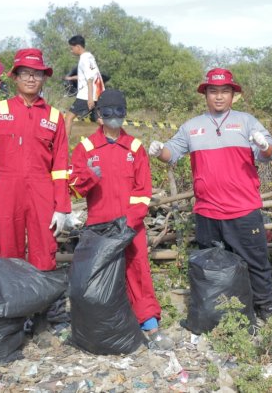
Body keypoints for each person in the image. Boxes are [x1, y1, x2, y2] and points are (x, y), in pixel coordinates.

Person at [149, 68, 272, 320]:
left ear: (233, 95)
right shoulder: (191, 127)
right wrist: (159, 150)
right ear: (205, 94)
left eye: (224, 91)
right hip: (207, 211)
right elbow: (171, 153)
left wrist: (264, 146)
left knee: (255, 262)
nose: (219, 97)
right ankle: (222, 313)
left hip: (243, 210)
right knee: (213, 266)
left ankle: (265, 308)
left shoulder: (247, 121)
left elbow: (268, 153)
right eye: (213, 91)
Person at [68, 89, 173, 349]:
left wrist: (130, 221)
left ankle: (149, 324)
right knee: (97, 276)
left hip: (130, 226)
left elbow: (143, 190)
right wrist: (88, 176)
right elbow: (74, 188)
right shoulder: (85, 148)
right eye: (108, 112)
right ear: (99, 117)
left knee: (138, 271)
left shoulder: (135, 148)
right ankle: (101, 326)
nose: (114, 117)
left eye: (119, 112)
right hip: (99, 228)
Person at [0, 48, 70, 271]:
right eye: (26, 73)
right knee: (7, 247)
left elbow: (60, 166)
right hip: (7, 188)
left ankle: (41, 300)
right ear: (16, 77)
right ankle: (11, 299)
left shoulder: (54, 117)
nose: (31, 78)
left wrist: (62, 207)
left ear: (43, 79)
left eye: (37, 73)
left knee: (45, 247)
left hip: (42, 190)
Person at [64, 35, 104, 137]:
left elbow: (90, 79)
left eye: (72, 48)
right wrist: (71, 78)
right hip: (98, 93)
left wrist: (90, 98)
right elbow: (87, 76)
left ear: (78, 47)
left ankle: (63, 147)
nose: (71, 51)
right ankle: (113, 141)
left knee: (68, 118)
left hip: (86, 95)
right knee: (100, 120)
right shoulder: (90, 57)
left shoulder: (83, 59)